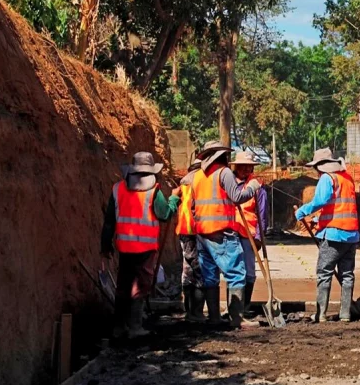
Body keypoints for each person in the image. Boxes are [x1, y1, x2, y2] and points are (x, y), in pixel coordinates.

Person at [101, 152, 180, 339]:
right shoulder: (154, 191)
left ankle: (119, 327)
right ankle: (135, 326)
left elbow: (109, 222)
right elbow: (165, 214)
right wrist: (174, 199)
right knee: (140, 285)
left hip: (124, 247)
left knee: (123, 285)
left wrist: (105, 246)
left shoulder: (117, 189)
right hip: (145, 249)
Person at [190, 141, 261, 328]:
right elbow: (237, 197)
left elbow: (192, 206)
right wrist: (253, 186)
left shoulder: (197, 176)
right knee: (236, 274)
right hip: (222, 232)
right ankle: (236, 318)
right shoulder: (224, 173)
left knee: (210, 276)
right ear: (222, 156)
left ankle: (214, 318)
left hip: (202, 234)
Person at [295, 148, 359, 323]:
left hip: (333, 235)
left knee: (324, 273)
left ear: (320, 167)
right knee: (347, 275)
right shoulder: (347, 178)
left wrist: (302, 211)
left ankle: (320, 313)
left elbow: (321, 201)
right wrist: (318, 218)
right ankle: (345, 314)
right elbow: (338, 206)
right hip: (351, 234)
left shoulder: (327, 178)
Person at [230, 151, 268, 319]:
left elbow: (262, 214)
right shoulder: (228, 183)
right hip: (230, 233)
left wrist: (259, 237)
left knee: (249, 272)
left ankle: (244, 307)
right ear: (236, 166)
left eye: (249, 166)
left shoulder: (257, 187)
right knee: (232, 271)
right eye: (243, 166)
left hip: (248, 234)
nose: (246, 169)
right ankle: (233, 308)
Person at [176, 155, 205, 323]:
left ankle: (190, 312)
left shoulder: (183, 183)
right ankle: (197, 313)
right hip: (197, 230)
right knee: (199, 271)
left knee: (187, 271)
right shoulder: (200, 182)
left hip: (184, 231)